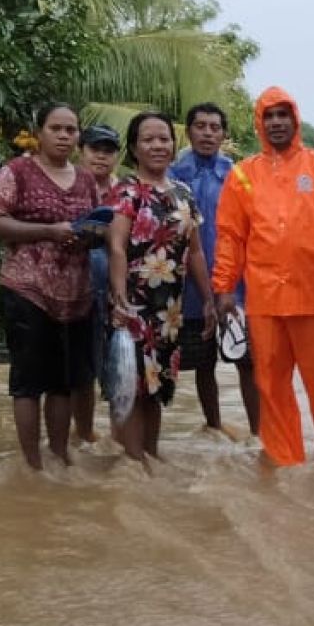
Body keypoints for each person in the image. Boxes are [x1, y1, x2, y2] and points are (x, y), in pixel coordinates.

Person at [212, 87, 314, 467]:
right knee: (271, 389)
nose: (275, 123)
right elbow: (230, 236)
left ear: (295, 120)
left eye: (282, 115)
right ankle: (284, 465)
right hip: (265, 301)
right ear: (259, 122)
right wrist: (223, 288)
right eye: (268, 116)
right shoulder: (242, 175)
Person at [0, 102, 96, 470]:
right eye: (56, 128)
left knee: (63, 383)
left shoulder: (87, 179)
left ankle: (59, 458)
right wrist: (47, 231)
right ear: (40, 132)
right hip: (26, 290)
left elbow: (102, 227)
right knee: (28, 383)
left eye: (71, 130)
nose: (63, 136)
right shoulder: (17, 172)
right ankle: (32, 465)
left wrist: (89, 235)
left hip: (76, 296)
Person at [106, 111, 215, 463]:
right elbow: (117, 246)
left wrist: (209, 300)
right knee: (132, 386)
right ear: (135, 148)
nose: (157, 145)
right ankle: (133, 464)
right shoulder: (125, 191)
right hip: (134, 306)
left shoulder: (184, 193)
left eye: (164, 138)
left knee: (157, 385)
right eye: (148, 139)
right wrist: (119, 298)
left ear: (173, 144)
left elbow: (195, 251)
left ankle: (148, 458)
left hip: (169, 311)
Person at [169, 102, 260, 439]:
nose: (207, 133)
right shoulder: (175, 176)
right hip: (191, 290)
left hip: (237, 287)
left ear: (224, 134)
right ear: (189, 131)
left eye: (214, 127)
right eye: (200, 126)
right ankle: (214, 428)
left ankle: (258, 436)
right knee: (203, 364)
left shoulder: (240, 176)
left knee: (247, 362)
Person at [68, 124, 121, 445]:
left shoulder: (125, 190)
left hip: (117, 292)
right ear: (81, 150)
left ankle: (120, 438)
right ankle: (85, 434)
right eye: (94, 149)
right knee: (81, 370)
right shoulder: (68, 186)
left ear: (117, 156)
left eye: (108, 150)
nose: (101, 156)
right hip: (75, 290)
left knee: (119, 366)